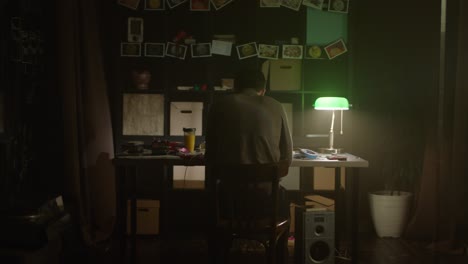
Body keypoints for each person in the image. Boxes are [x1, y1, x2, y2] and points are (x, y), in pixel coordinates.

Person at [205, 68, 293, 217]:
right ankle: (274, 239)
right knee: (281, 197)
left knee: (218, 192)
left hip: (230, 195)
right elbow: (287, 155)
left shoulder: (219, 105)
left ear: (235, 87)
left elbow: (210, 154)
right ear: (263, 90)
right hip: (266, 194)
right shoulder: (276, 105)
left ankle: (224, 238)